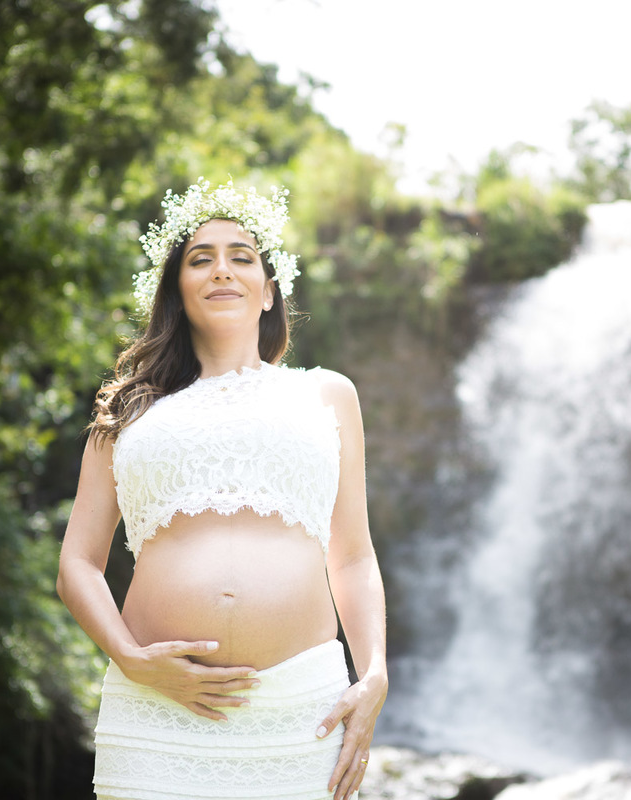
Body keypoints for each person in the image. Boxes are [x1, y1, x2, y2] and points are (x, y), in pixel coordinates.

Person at [56, 179, 387, 800]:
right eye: (200, 259)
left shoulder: (327, 394)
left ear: (269, 290)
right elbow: (77, 562)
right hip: (157, 708)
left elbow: (353, 555)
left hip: (301, 711)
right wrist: (129, 657)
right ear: (177, 290)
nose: (222, 270)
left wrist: (374, 675)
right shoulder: (128, 410)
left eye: (242, 257)